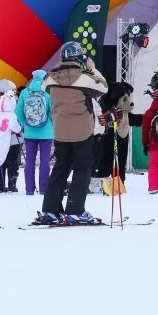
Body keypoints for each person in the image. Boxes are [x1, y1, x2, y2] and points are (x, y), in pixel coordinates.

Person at [38, 42, 107, 224]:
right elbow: (103, 87)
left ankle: (50, 210)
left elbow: (45, 85)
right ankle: (75, 210)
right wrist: (92, 69)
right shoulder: (84, 78)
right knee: (82, 169)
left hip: (60, 131)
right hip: (82, 131)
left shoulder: (50, 78)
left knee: (60, 169)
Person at [16, 70, 53, 196]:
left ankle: (29, 190)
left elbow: (19, 111)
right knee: (45, 162)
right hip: (46, 132)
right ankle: (43, 189)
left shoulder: (25, 92)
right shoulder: (48, 92)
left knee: (30, 162)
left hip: (30, 133)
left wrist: (26, 124)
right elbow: (52, 112)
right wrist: (51, 125)